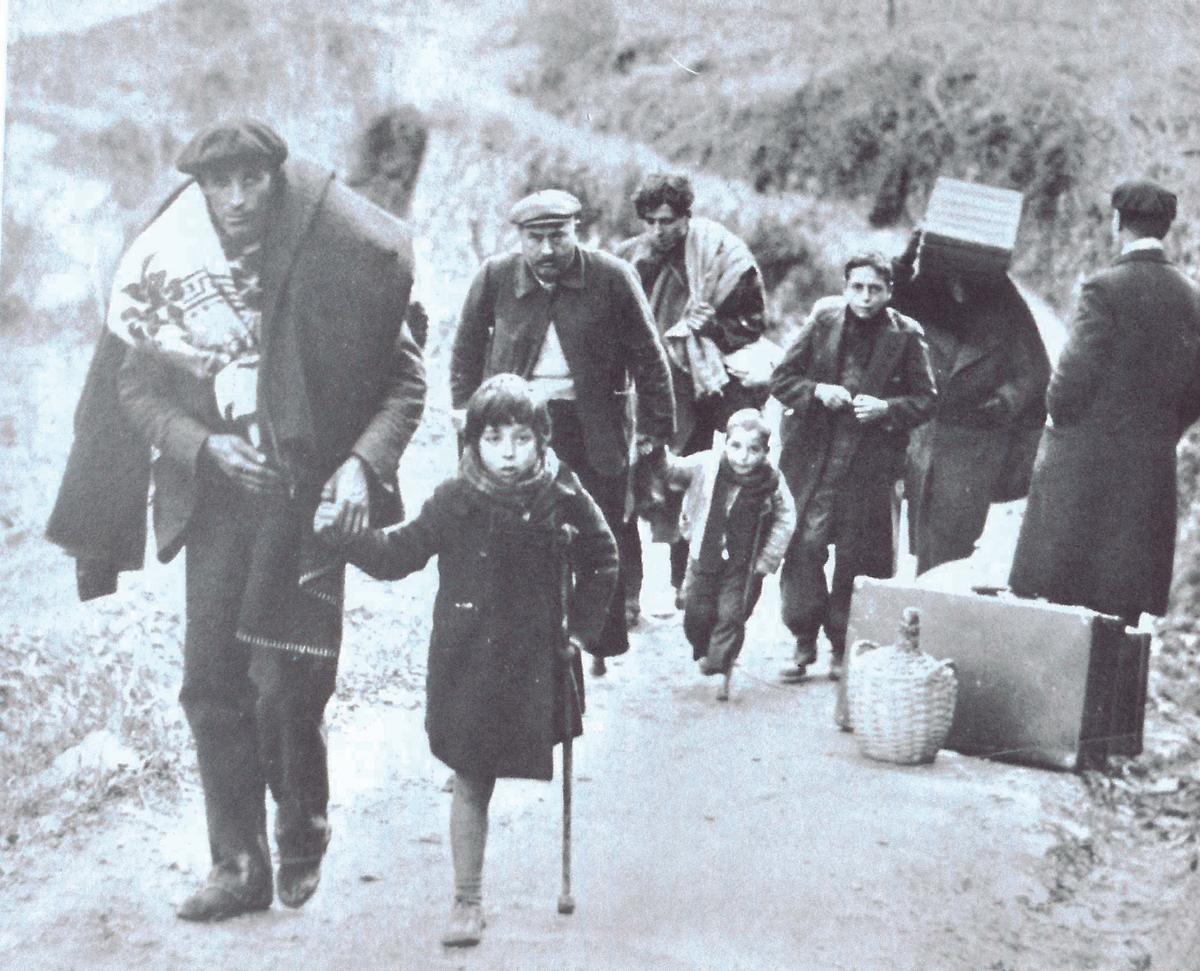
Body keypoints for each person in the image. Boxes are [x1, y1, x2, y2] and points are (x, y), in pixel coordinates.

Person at [46, 120, 427, 921]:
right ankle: (237, 863)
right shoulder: (171, 271)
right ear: (199, 189)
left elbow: (403, 382)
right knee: (211, 681)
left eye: (253, 179)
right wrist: (205, 447)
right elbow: (135, 392)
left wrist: (360, 464)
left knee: (290, 681)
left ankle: (302, 819)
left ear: (276, 181)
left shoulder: (330, 258)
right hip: (216, 504)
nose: (238, 199)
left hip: (308, 501)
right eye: (221, 183)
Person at [320, 374, 618, 948]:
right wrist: (346, 538)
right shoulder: (456, 499)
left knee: (498, 763)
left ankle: (470, 892)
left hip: (536, 658)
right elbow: (397, 554)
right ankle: (467, 899)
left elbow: (603, 557)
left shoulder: (561, 494)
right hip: (470, 658)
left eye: (522, 438)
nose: (508, 453)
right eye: (494, 438)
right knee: (471, 775)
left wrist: (579, 632)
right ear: (473, 442)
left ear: (542, 439)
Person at [450, 189, 675, 676]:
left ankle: (597, 635)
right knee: (511, 532)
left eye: (559, 236)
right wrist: (466, 417)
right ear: (520, 239)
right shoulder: (494, 278)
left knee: (600, 530)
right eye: (536, 238)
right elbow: (466, 352)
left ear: (578, 230)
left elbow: (649, 356)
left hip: (591, 425)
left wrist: (655, 430)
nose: (548, 250)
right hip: (519, 427)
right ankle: (517, 638)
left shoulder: (612, 277)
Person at [1009, 180, 1200, 626]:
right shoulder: (1192, 299)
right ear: (1166, 228)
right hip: (1149, 474)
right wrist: (1163, 432)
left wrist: (1063, 417)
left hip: (1085, 474)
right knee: (1120, 609)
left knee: (1063, 605)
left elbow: (1070, 381)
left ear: (1118, 223)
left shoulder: (1104, 288)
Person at [614, 173, 774, 618]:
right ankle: (628, 593)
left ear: (686, 216)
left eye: (667, 220)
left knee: (691, 484)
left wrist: (711, 328)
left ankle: (684, 583)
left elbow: (753, 323)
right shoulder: (627, 260)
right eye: (649, 221)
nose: (658, 230)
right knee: (630, 483)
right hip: (639, 388)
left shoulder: (721, 258)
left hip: (697, 389)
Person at [770, 253, 936, 682]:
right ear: (845, 287)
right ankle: (802, 638)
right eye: (857, 287)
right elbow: (782, 379)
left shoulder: (907, 335)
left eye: (875, 289)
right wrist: (817, 390)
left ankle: (843, 645)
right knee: (804, 548)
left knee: (857, 559)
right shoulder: (823, 321)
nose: (865, 297)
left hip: (870, 468)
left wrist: (887, 408)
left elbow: (926, 400)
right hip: (816, 462)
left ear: (889, 292)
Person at [890, 231, 1051, 574]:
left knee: (951, 543)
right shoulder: (923, 291)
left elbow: (1034, 371)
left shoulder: (1006, 306)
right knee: (918, 533)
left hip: (975, 442)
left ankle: (933, 611)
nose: (959, 286)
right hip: (926, 435)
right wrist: (904, 261)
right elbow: (889, 302)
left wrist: (1005, 401)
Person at [668, 409, 795, 701]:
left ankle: (721, 662)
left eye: (754, 450)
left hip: (744, 564)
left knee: (731, 615)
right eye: (735, 446)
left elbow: (786, 517)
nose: (743, 456)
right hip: (705, 554)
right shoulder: (707, 465)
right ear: (725, 443)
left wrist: (767, 559)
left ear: (765, 452)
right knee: (697, 614)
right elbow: (673, 471)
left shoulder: (771, 481)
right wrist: (656, 453)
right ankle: (706, 649)